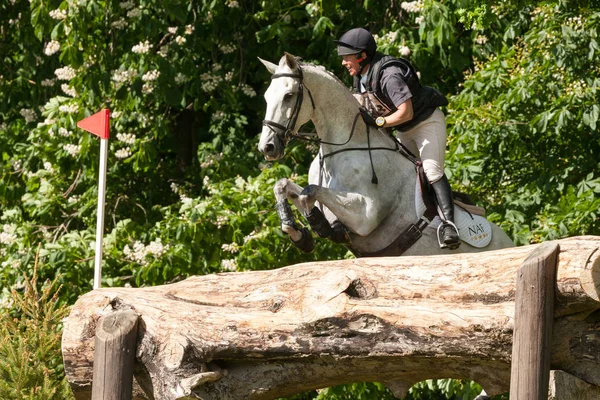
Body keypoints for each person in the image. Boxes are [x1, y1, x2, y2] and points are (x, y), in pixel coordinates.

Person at [334, 27, 460, 249]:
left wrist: (380, 123)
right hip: (402, 130)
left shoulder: (389, 74)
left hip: (425, 123)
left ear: (362, 56)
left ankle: (449, 225)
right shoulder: (360, 77)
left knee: (430, 171)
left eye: (347, 57)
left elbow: (406, 113)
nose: (344, 62)